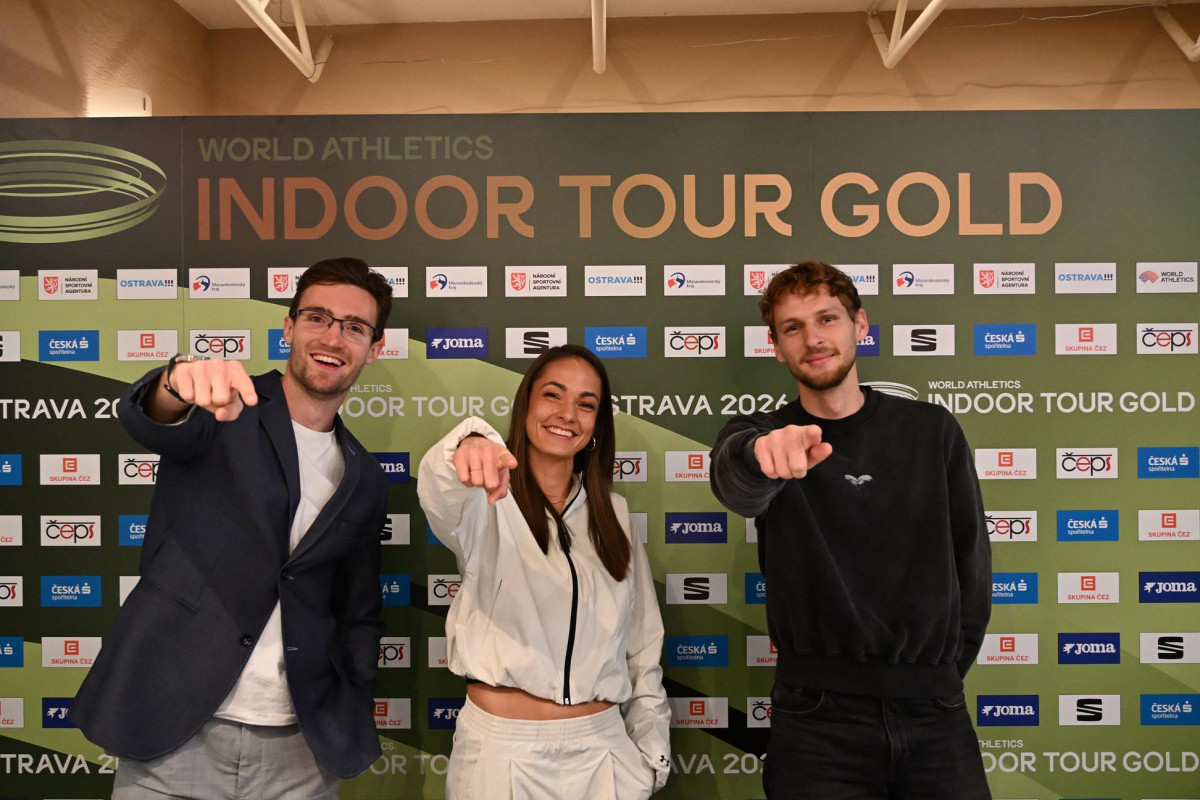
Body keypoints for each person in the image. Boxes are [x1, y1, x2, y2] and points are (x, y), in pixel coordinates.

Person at [70, 258, 393, 799]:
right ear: (288, 327)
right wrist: (175, 381)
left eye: (355, 326)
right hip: (175, 729)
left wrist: (351, 691)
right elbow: (151, 417)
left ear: (374, 347)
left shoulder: (365, 476)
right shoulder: (224, 407)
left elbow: (357, 609)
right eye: (317, 317)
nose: (333, 336)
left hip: (300, 752)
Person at [709, 261, 992, 799]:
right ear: (776, 345)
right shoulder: (762, 434)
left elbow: (972, 571)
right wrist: (761, 458)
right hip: (816, 720)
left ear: (860, 324)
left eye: (827, 319)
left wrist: (938, 678)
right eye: (793, 327)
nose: (813, 338)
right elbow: (735, 483)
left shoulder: (932, 431)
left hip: (935, 711)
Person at [417, 344, 671, 799]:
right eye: (553, 395)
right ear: (527, 403)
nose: (568, 414)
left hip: (603, 752)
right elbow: (439, 488)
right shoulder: (483, 499)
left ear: (597, 424)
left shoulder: (614, 512)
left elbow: (642, 645)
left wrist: (651, 756)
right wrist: (469, 442)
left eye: (586, 404)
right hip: (501, 753)